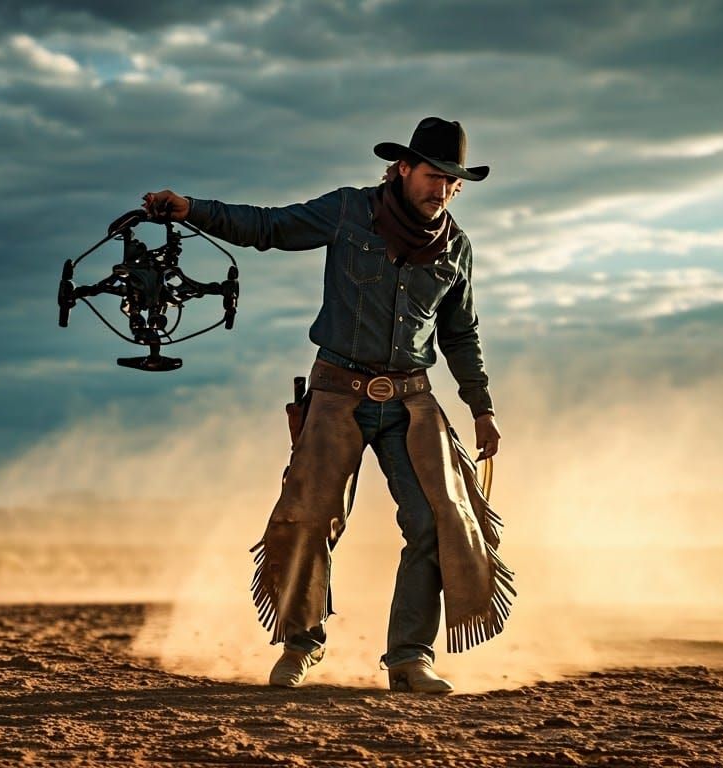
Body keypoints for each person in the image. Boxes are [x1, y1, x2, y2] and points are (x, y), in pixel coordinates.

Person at [142, 117, 513, 694]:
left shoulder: (457, 248)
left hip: (413, 402)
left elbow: (460, 334)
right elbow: (267, 227)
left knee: (435, 520)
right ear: (402, 169)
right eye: (432, 175)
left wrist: (481, 407)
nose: (441, 189)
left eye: (452, 181)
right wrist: (192, 208)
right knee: (309, 517)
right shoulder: (347, 211)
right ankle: (300, 644)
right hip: (338, 394)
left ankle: (410, 658)